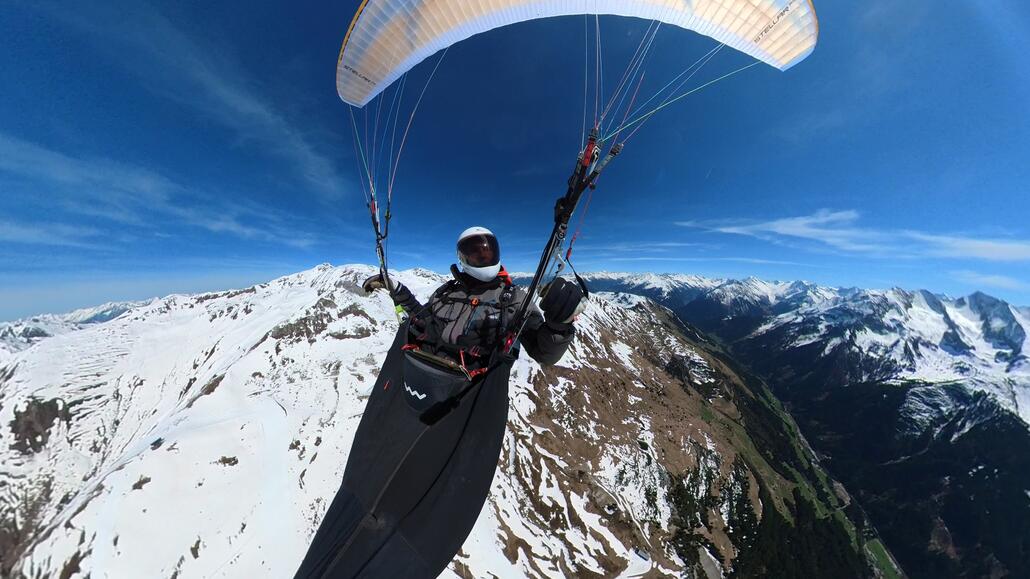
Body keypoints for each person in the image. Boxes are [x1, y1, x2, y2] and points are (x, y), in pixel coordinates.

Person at [361, 226, 585, 371]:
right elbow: (423, 319)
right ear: (463, 258)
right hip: (421, 373)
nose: (483, 256)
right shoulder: (446, 292)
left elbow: (543, 353)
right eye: (476, 253)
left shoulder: (514, 299)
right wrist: (399, 290)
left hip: (471, 393)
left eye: (487, 251)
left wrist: (558, 328)